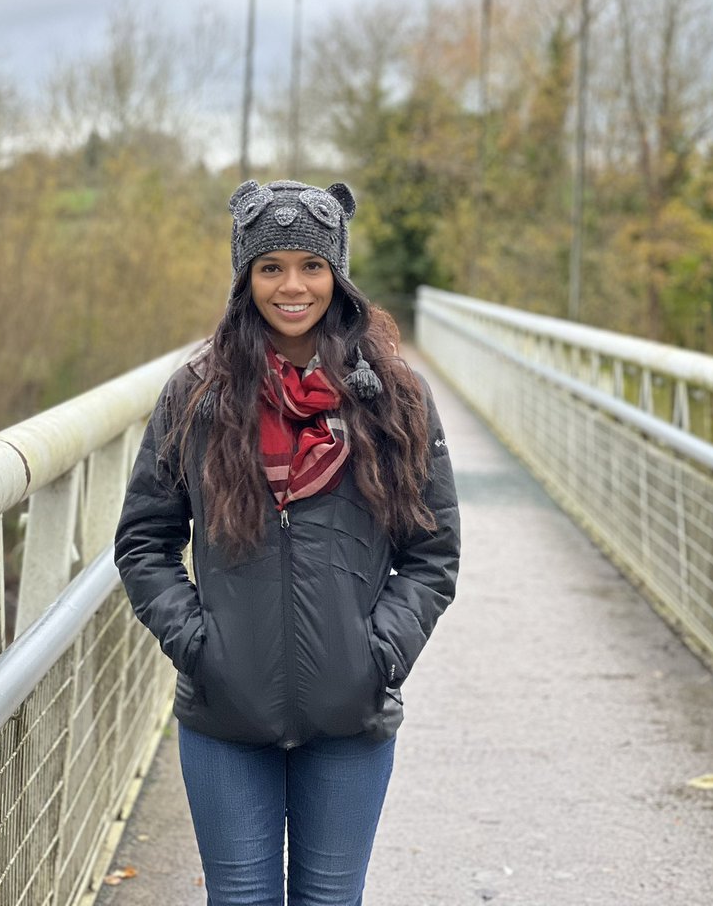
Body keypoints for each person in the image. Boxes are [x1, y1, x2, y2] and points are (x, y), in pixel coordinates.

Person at [114, 177, 460, 906]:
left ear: (339, 275)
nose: (292, 286)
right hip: (225, 714)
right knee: (240, 899)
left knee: (330, 900)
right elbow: (145, 540)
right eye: (271, 267)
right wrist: (200, 647)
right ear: (245, 278)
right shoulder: (196, 396)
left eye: (312, 265)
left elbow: (431, 552)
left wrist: (377, 654)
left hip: (351, 714)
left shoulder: (394, 397)